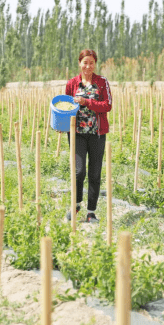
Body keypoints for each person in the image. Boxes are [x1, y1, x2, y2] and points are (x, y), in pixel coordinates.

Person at [64, 49, 113, 224]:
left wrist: (87, 102)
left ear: (95, 64)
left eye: (91, 63)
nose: (88, 66)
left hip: (96, 134)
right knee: (79, 172)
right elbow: (66, 106)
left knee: (94, 173)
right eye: (85, 62)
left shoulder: (102, 82)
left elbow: (107, 105)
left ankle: (91, 212)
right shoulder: (72, 84)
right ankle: (76, 204)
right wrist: (61, 124)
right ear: (79, 63)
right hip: (77, 134)